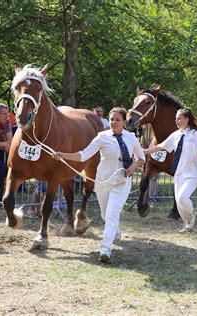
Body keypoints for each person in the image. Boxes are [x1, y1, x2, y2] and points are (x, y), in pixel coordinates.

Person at [53, 107, 145, 263]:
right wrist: (63, 155)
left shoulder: (131, 138)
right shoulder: (102, 137)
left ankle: (105, 249)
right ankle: (114, 229)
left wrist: (134, 166)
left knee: (111, 214)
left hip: (122, 182)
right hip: (103, 181)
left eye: (117, 120)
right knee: (105, 214)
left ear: (123, 122)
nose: (114, 122)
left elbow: (141, 158)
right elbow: (83, 155)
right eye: (112, 119)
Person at [144, 108, 197, 233]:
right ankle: (187, 224)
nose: (176, 121)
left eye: (179, 118)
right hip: (179, 173)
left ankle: (191, 215)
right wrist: (144, 151)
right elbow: (161, 146)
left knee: (183, 198)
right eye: (176, 118)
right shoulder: (176, 135)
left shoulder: (196, 135)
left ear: (187, 119)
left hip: (193, 173)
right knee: (179, 203)